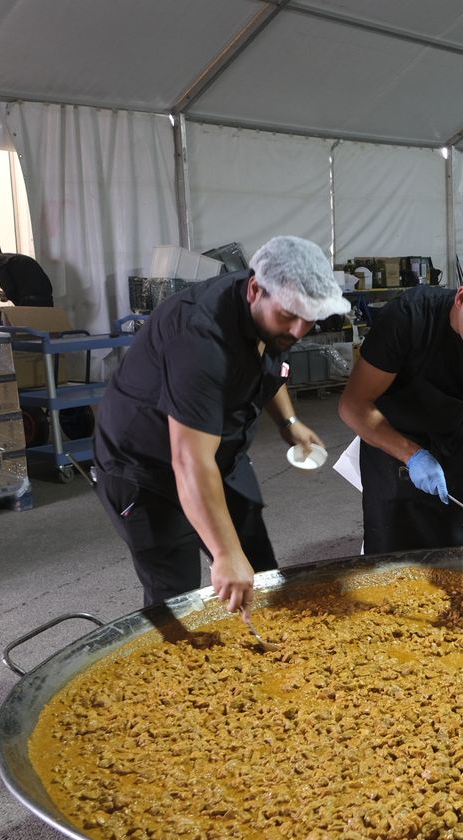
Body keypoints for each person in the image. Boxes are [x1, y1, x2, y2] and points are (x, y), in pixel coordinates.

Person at [92, 236, 345, 612]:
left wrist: (288, 421)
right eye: (289, 315)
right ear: (255, 290)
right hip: (146, 468)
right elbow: (189, 461)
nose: (297, 331)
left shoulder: (270, 308)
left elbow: (270, 362)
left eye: (309, 319)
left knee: (257, 570)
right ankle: (183, 661)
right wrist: (224, 553)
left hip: (218, 450)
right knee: (178, 594)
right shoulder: (200, 337)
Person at [339, 259, 463, 555]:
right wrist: (412, 455)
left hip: (452, 435)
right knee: (395, 560)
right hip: (390, 439)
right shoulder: (409, 316)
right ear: (461, 298)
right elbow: (353, 405)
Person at [0, 239, 54, 307]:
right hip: (47, 301)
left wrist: (6, 295)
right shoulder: (16, 258)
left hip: (30, 303)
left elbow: (9, 290)